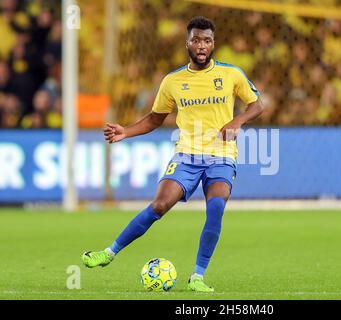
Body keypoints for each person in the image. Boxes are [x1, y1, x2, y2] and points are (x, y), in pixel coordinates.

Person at [81, 16, 263, 293]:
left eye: (207, 40)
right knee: (159, 206)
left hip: (221, 155)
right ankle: (109, 252)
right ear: (187, 43)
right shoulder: (173, 81)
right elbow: (155, 119)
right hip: (186, 155)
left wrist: (237, 121)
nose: (201, 45)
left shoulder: (231, 74)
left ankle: (198, 276)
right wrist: (125, 132)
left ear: (214, 44)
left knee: (216, 207)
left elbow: (256, 105)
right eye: (196, 40)